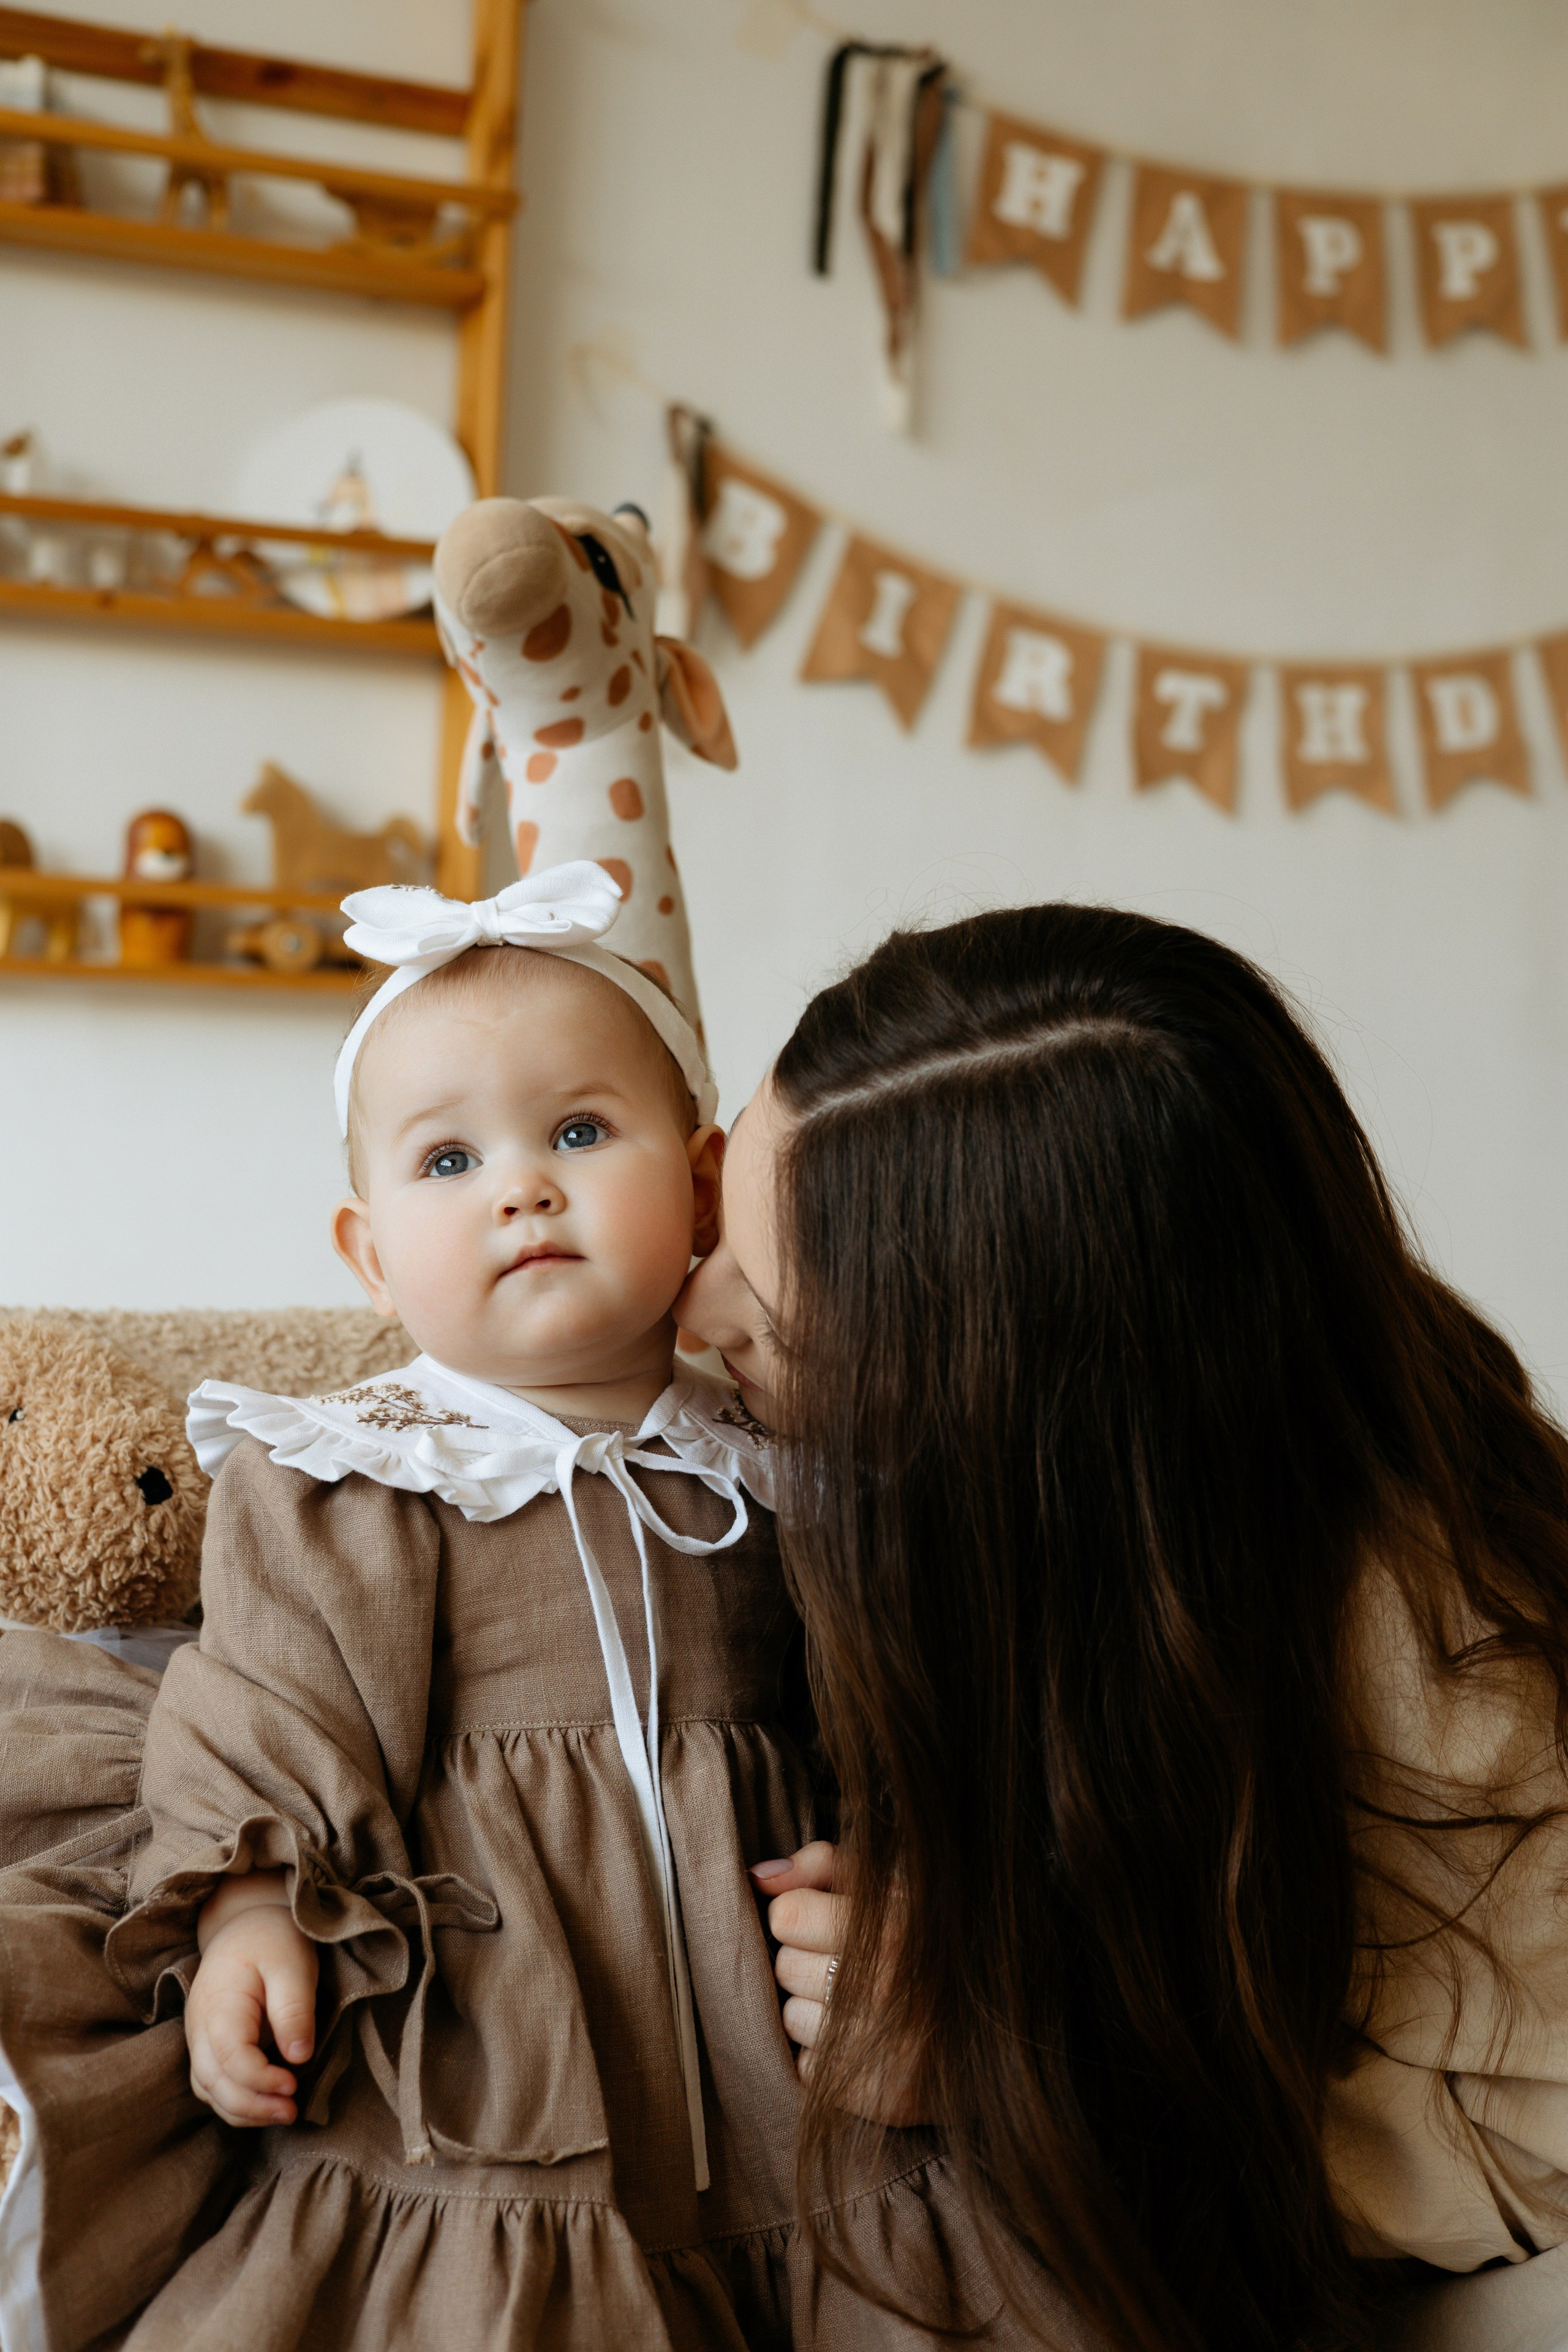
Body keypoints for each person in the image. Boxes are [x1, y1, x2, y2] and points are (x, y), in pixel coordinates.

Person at [0, 867, 1008, 2352]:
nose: (521, 1186)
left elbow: (898, 1704)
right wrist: (254, 1913)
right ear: (368, 1256)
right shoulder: (352, 1476)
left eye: (580, 1133)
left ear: (709, 1185)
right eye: (448, 1160)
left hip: (775, 2019)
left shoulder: (783, 1462)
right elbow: (269, 1706)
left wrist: (917, 1896)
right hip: (488, 2023)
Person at [675, 902, 1568, 2352]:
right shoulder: (1123, 1467)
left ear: (1009, 1418)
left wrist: (1027, 2048)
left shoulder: (1448, 1697)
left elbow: (1500, 2165)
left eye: (769, 1318)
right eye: (721, 1212)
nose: (692, 1299)